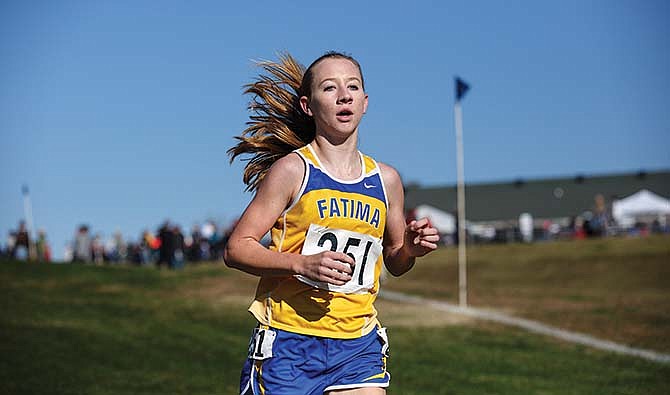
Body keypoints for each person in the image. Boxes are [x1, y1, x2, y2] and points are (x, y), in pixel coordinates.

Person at [225, 51, 439, 395]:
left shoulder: (386, 180)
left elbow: (396, 261)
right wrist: (301, 264)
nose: (344, 95)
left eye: (353, 86)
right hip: (289, 344)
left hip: (357, 344)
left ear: (365, 102)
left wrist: (410, 249)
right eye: (330, 88)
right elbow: (237, 248)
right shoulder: (293, 171)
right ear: (308, 106)